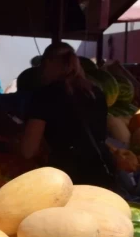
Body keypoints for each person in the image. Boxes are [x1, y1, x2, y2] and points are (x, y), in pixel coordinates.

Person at [21, 42, 116, 188]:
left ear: (47, 63)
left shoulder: (45, 95)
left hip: (66, 177)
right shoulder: (96, 92)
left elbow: (29, 150)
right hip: (99, 174)